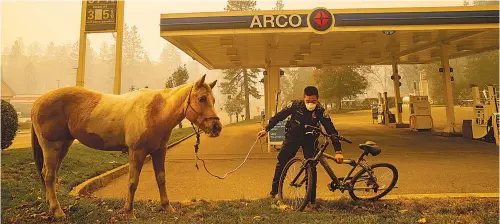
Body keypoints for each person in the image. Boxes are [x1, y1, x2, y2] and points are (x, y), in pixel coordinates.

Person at [257, 86, 343, 208]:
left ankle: (311, 200)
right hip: (293, 136)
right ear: (303, 98)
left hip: (310, 139)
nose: (310, 104)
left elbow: (331, 130)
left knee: (311, 166)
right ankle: (274, 192)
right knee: (282, 162)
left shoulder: (320, 111)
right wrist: (266, 129)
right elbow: (279, 117)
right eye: (308, 101)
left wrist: (338, 150)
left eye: (313, 101)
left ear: (318, 99)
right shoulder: (295, 105)